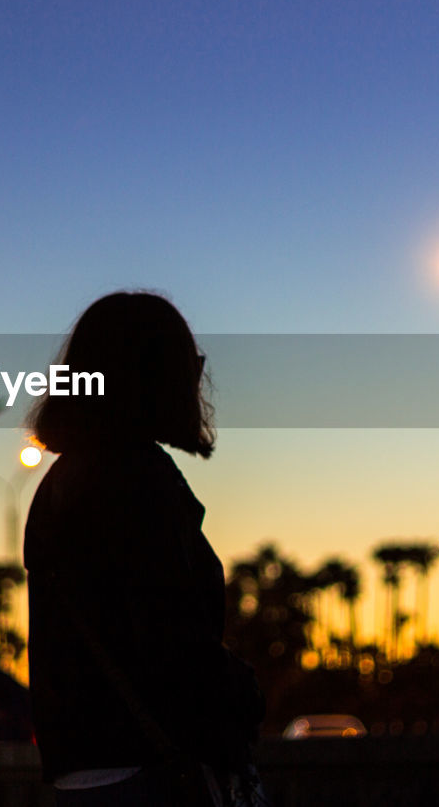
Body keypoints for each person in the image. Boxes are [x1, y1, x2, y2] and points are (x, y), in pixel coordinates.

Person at [23, 291, 268, 807]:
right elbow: (170, 640)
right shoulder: (136, 479)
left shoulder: (65, 480)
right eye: (188, 363)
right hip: (146, 776)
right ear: (149, 376)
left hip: (85, 772)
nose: (197, 379)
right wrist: (244, 691)